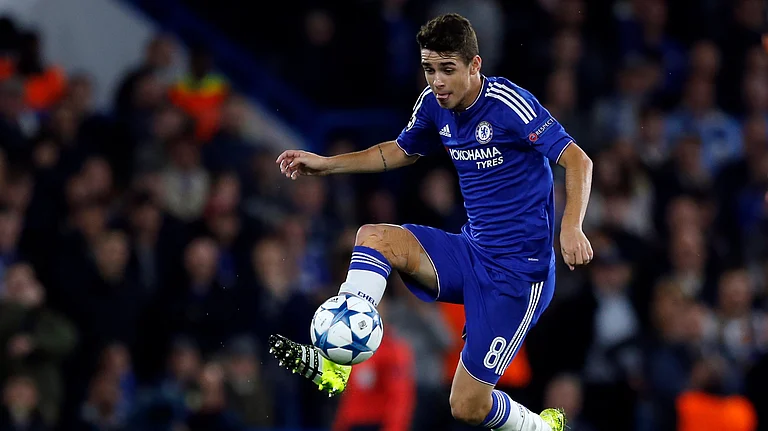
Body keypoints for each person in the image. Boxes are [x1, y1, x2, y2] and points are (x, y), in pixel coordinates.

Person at [269, 13, 594, 431]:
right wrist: (327, 165)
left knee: (467, 406)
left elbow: (577, 160)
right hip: (471, 252)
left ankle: (542, 427)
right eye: (429, 69)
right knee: (374, 237)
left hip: (518, 276)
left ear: (474, 65)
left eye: (447, 69)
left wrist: (571, 226)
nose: (437, 81)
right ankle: (337, 363)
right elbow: (399, 151)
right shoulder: (432, 105)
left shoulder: (509, 105)